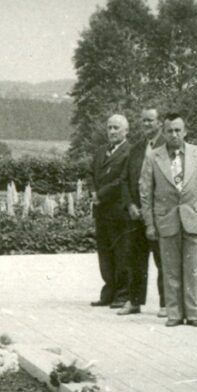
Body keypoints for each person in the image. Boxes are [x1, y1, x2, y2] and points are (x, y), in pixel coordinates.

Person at [138, 112, 197, 327]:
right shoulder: (153, 157)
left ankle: (194, 313)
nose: (174, 134)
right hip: (166, 220)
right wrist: (150, 224)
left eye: (178, 130)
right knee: (170, 268)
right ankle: (174, 313)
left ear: (185, 131)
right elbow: (145, 193)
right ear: (164, 131)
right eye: (170, 130)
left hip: (192, 218)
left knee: (192, 268)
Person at [120, 107, 166, 316]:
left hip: (158, 214)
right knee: (135, 259)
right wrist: (130, 204)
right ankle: (134, 300)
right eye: (144, 121)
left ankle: (166, 303)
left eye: (150, 121)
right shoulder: (136, 149)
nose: (146, 124)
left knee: (162, 259)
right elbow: (124, 179)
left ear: (160, 123)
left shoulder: (168, 146)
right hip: (135, 214)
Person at [90, 114, 132, 308]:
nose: (112, 131)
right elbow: (91, 173)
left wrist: (101, 194)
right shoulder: (100, 152)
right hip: (101, 211)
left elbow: (122, 180)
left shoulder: (129, 152)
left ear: (126, 131)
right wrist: (93, 191)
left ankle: (123, 294)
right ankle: (109, 290)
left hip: (118, 212)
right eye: (110, 128)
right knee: (104, 253)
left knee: (122, 253)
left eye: (116, 128)